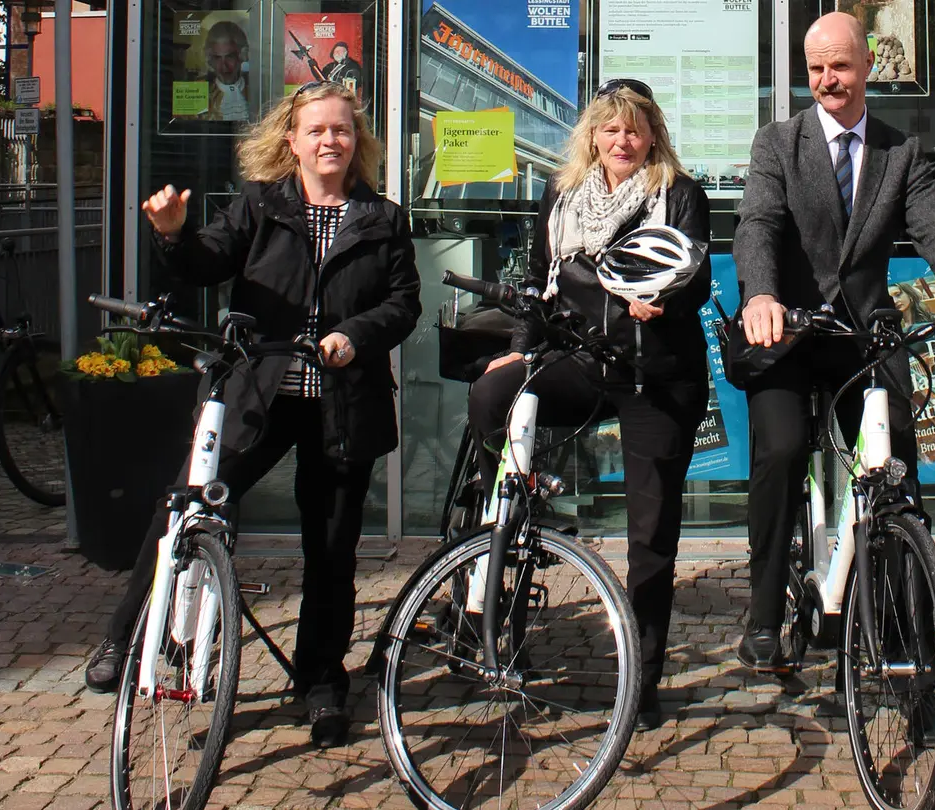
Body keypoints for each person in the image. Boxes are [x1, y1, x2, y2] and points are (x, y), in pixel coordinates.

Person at [84, 82, 422, 748]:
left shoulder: (383, 217)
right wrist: (173, 234)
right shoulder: (261, 205)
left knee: (332, 552)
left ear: (358, 141)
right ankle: (124, 638)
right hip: (258, 396)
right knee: (183, 509)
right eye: (316, 130)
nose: (330, 141)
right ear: (291, 140)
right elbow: (204, 263)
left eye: (342, 130)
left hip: (341, 403)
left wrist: (356, 335)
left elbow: (403, 303)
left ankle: (322, 685)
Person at [732, 12, 935, 674]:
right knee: (781, 450)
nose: (828, 79)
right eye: (816, 68)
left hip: (863, 336)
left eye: (840, 65)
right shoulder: (778, 143)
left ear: (868, 66)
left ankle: (898, 621)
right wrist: (761, 295)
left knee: (897, 466)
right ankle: (764, 613)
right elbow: (757, 224)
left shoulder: (900, 151)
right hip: (788, 333)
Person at [467, 77, 711, 732]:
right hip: (582, 358)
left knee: (650, 534)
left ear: (653, 135)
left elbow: (694, 278)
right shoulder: (562, 193)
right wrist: (520, 349)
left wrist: (662, 302)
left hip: (656, 372)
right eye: (611, 128)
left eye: (635, 129)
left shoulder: (678, 193)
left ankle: (642, 679)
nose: (622, 140)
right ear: (593, 135)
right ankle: (510, 514)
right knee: (492, 393)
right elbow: (535, 283)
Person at [201, 21, 249, 122]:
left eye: (230, 57)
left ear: (241, 55)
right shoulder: (200, 90)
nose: (224, 66)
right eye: (217, 58)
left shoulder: (257, 89)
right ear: (210, 59)